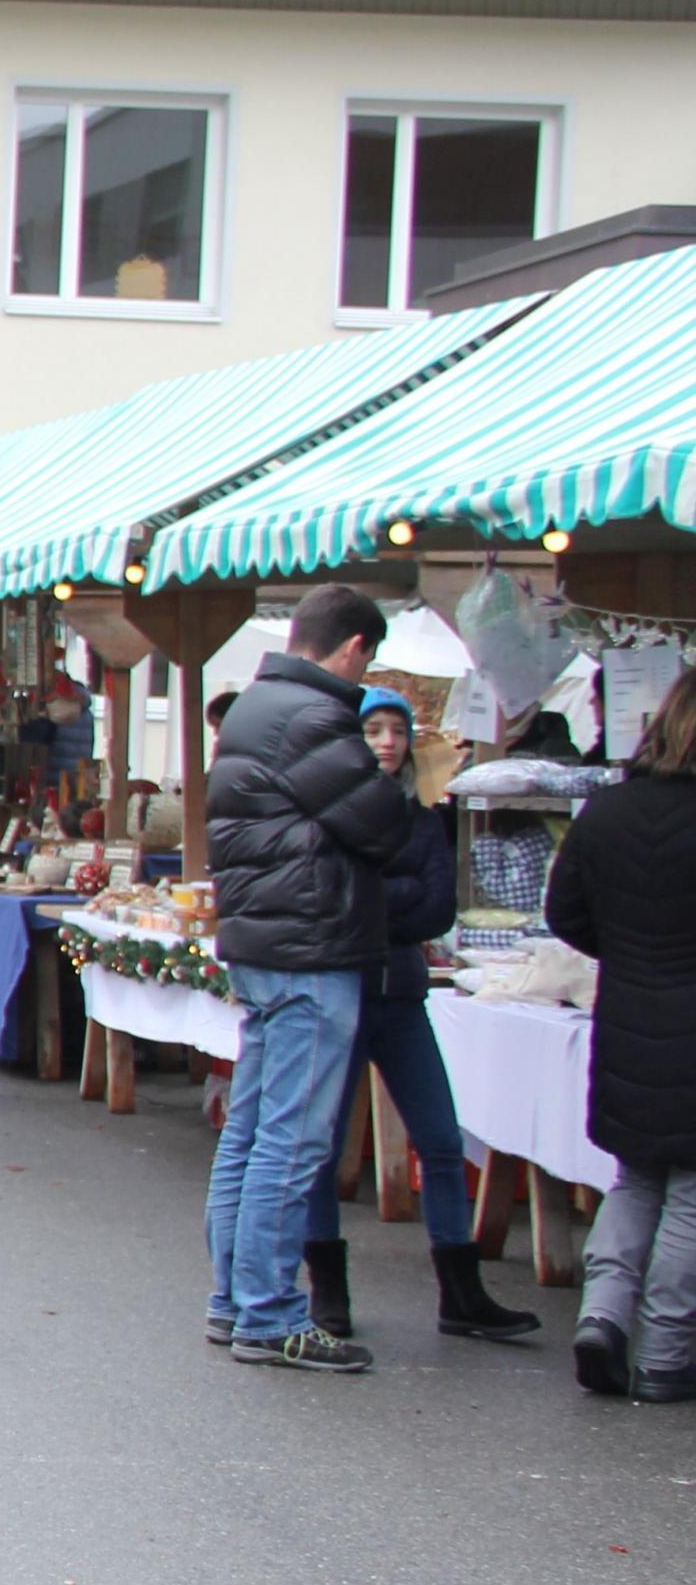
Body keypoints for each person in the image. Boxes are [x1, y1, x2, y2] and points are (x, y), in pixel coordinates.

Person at [202, 583, 413, 1371]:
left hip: (267, 943)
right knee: (291, 1141)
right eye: (369, 659)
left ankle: (234, 1300)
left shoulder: (255, 707)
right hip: (312, 947)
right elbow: (382, 826)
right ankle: (267, 1313)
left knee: (252, 1133)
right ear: (354, 647)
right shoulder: (317, 716)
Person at [298, 690, 535, 1343]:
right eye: (373, 729)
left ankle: (461, 1293)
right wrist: (392, 896)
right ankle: (328, 1290)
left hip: (402, 997)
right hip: (343, 994)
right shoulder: (332, 818)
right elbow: (332, 901)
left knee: (440, 1139)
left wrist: (375, 898)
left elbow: (436, 910)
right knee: (322, 1146)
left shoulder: (423, 821)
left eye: (397, 730)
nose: (386, 741)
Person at [552, 665, 696, 1400]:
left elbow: (564, 913)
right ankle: (666, 1352)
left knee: (636, 1178)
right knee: (691, 1193)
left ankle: (602, 1316)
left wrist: (631, 954)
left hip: (628, 1016)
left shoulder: (606, 810)